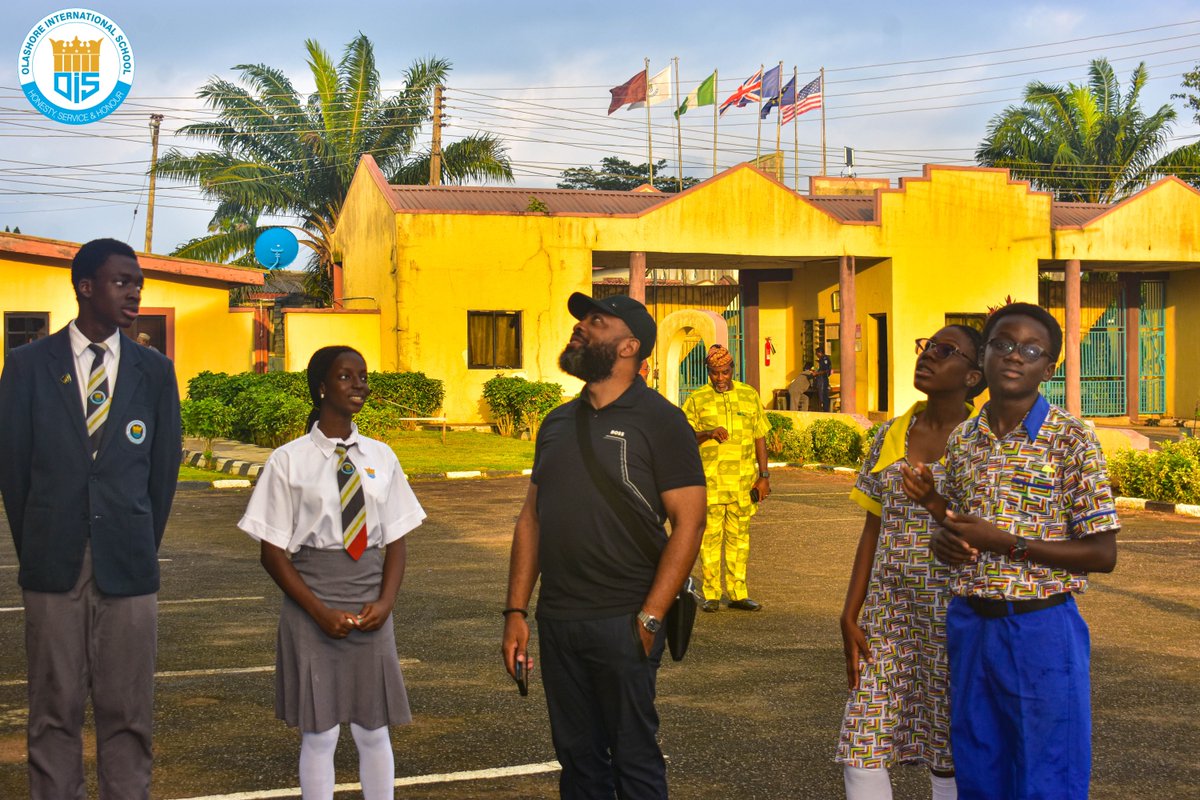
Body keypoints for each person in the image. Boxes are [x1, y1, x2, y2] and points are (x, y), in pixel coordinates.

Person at [903, 303, 1120, 800]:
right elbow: (960, 529)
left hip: (1041, 627)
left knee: (1048, 776)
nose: (1014, 356)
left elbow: (1102, 553)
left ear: (1051, 366)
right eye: (1002, 344)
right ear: (984, 356)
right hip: (970, 625)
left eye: (1030, 349)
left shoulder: (1072, 440)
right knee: (980, 772)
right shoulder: (962, 441)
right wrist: (946, 540)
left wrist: (1011, 544)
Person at [501, 292, 706, 799]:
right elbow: (532, 518)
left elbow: (690, 522)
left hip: (625, 618)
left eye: (596, 322)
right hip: (561, 620)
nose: (581, 329)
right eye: (582, 321)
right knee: (578, 761)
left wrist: (651, 616)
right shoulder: (556, 423)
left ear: (628, 346)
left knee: (633, 758)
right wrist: (515, 611)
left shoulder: (661, 420)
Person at [0, 237, 181, 799]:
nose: (134, 293)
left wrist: (134, 539)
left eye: (139, 285)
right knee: (53, 709)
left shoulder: (155, 371)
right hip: (53, 564)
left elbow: (162, 473)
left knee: (128, 710)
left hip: (128, 563)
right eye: (121, 282)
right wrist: (43, 543)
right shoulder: (28, 365)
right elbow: (14, 472)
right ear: (85, 286)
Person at [238, 346, 426, 800]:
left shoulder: (382, 456)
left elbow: (396, 539)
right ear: (322, 386)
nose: (359, 384)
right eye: (346, 376)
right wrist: (319, 611)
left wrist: (386, 602)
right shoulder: (289, 461)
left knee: (372, 728)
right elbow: (272, 551)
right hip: (311, 602)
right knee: (319, 733)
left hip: (370, 600)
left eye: (363, 376)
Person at [836, 326, 985, 800]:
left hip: (956, 616)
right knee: (863, 740)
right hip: (889, 615)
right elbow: (872, 528)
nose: (927, 356)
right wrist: (849, 612)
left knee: (949, 749)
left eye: (945, 351)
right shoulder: (890, 436)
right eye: (926, 346)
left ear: (974, 375)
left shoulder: (983, 443)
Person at [682, 344, 771, 612]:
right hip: (710, 484)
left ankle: (738, 592)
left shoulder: (749, 395)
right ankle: (710, 593)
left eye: (724, 372)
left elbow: (760, 435)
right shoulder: (697, 399)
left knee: (739, 539)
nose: (720, 379)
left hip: (743, 484)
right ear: (708, 372)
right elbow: (683, 437)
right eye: (714, 373)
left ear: (732, 369)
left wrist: (763, 476)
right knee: (710, 539)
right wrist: (707, 433)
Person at [814, 347, 833, 411]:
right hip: (820, 379)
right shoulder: (821, 359)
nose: (816, 355)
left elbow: (826, 370)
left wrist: (817, 373)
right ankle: (823, 408)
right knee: (820, 395)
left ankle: (825, 410)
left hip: (823, 379)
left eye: (816, 353)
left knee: (823, 395)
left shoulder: (825, 359)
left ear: (819, 353)